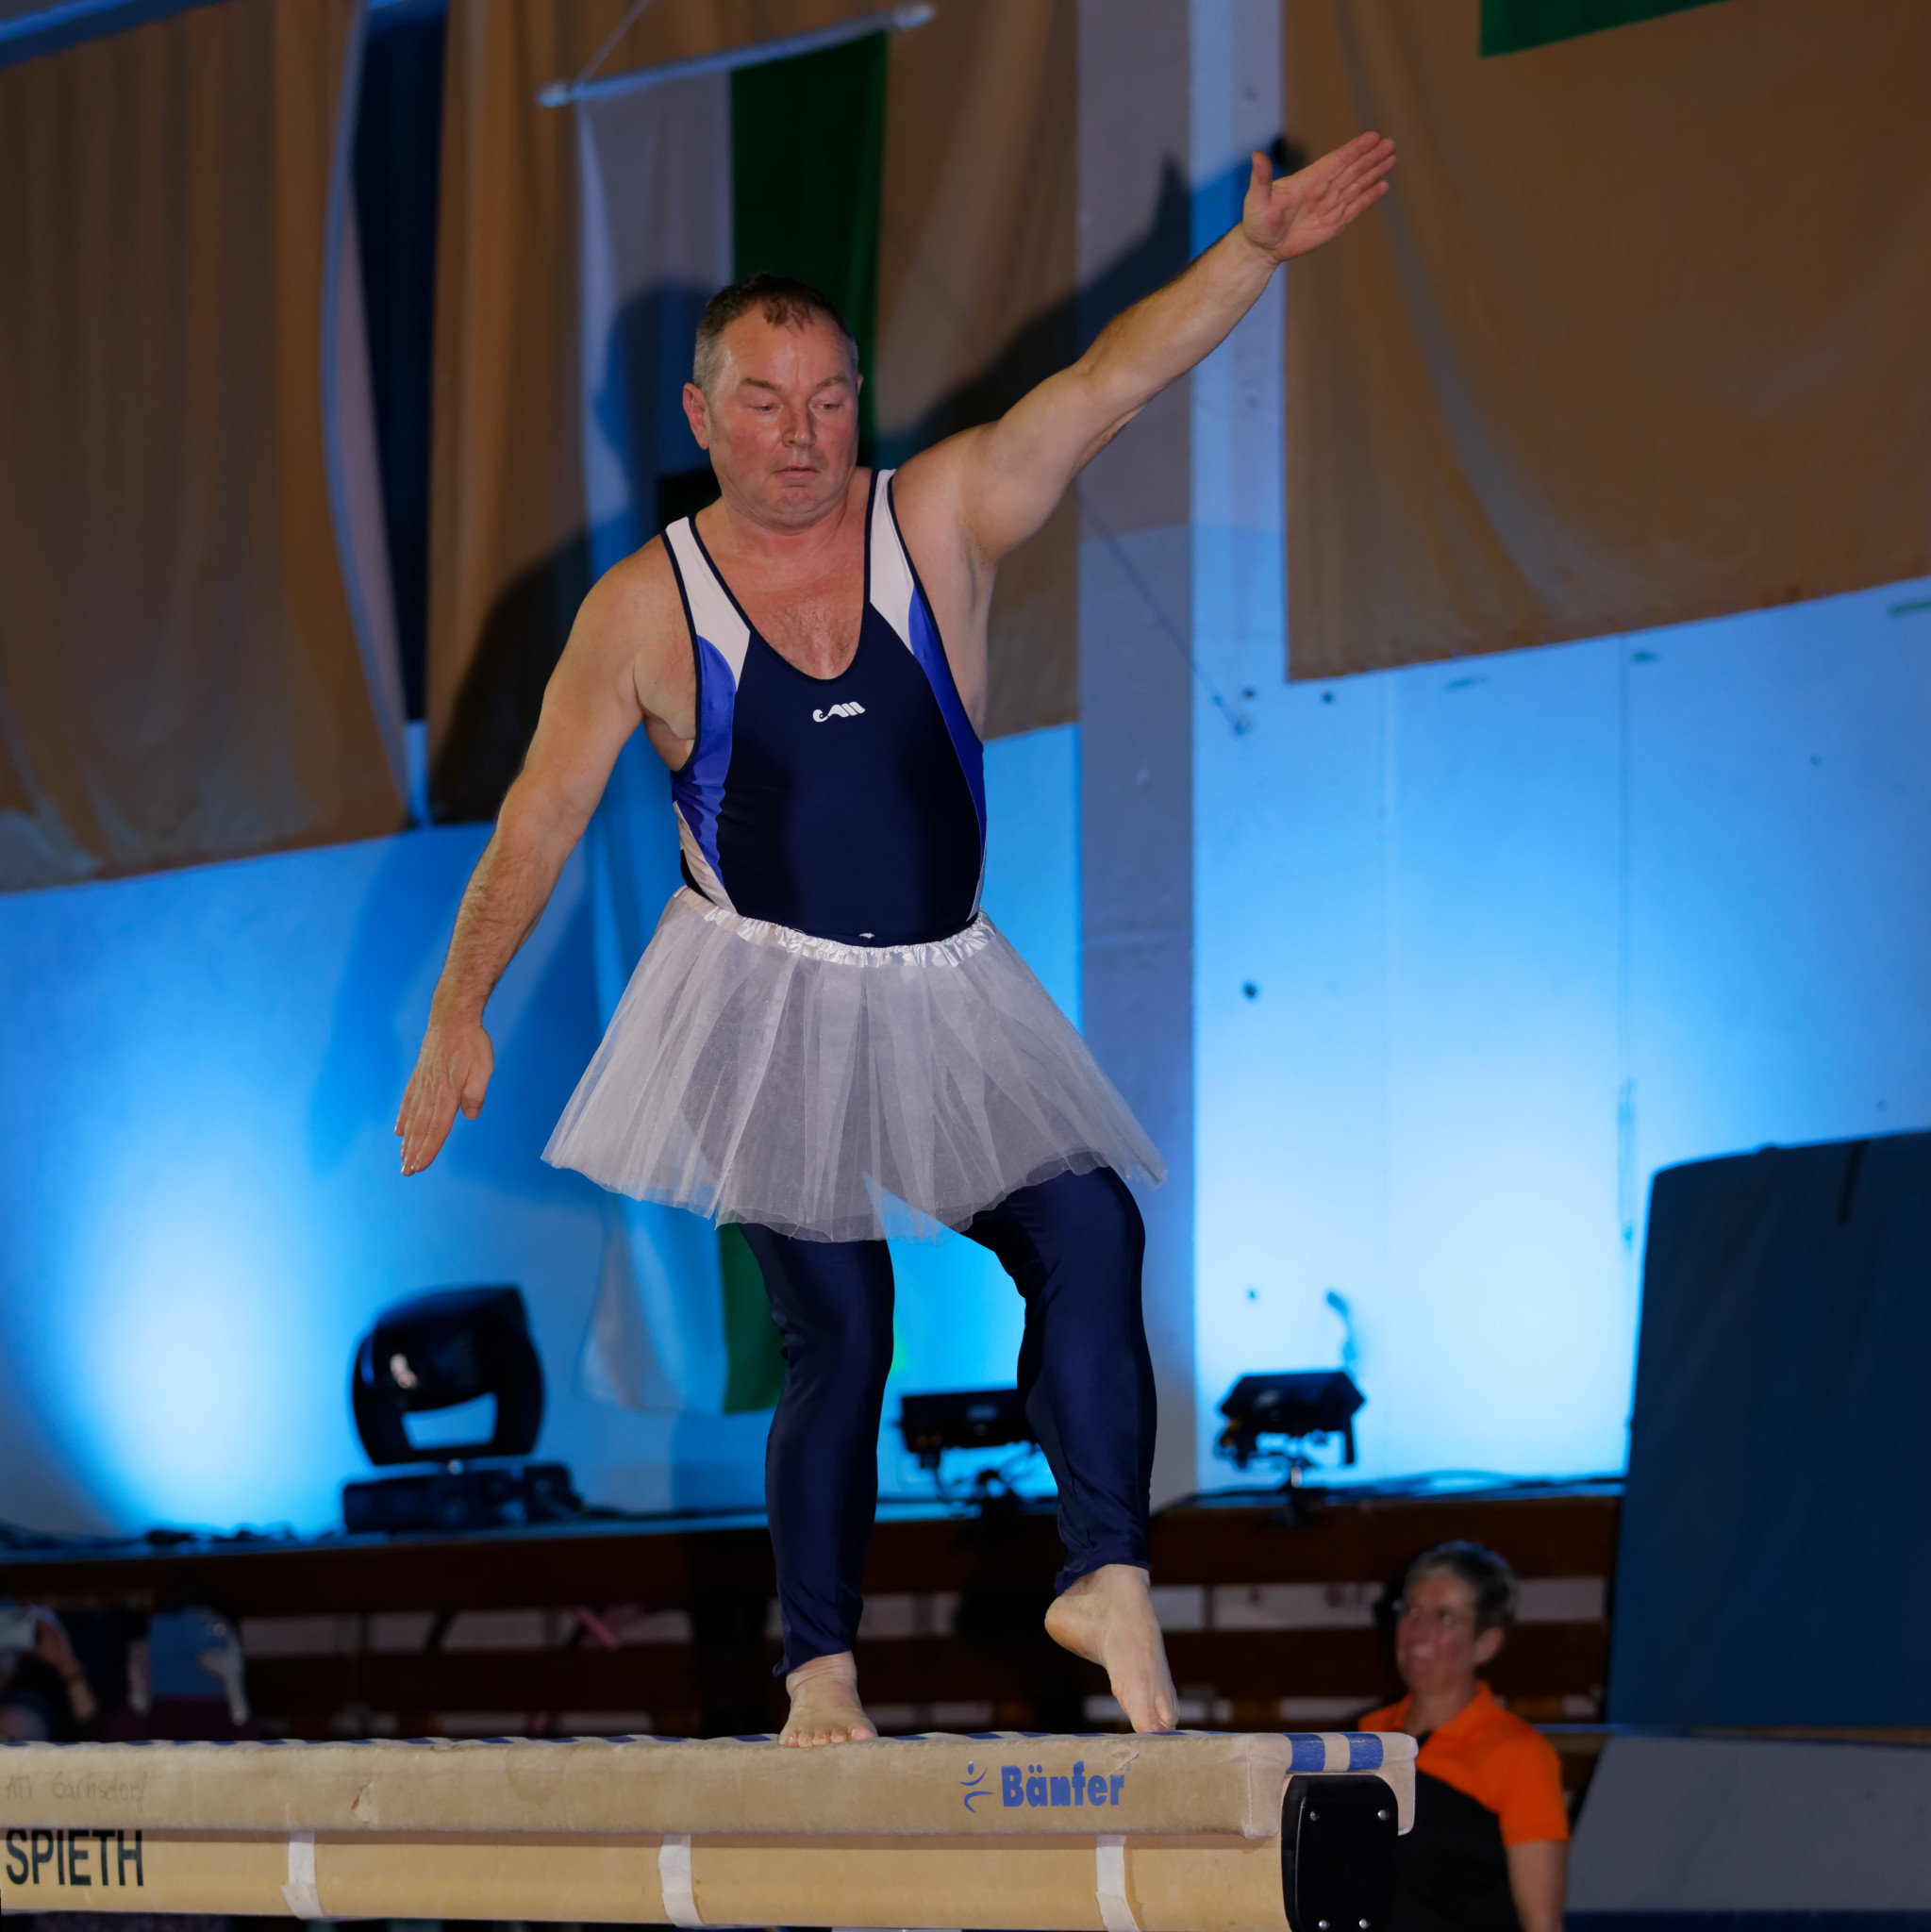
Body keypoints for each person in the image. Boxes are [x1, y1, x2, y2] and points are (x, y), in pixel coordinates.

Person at [396, 133, 1396, 1747]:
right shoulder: (642, 609)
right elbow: (535, 819)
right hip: (761, 997)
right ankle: (818, 1672)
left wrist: (1250, 255)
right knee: (843, 1329)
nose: (798, 437)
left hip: (941, 986)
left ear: (856, 401)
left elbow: (1104, 383)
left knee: (1090, 1231)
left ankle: (1106, 1568)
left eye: (826, 401)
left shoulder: (937, 515)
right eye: (762, 404)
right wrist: (460, 1005)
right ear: (700, 417)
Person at [1360, 1543, 1570, 1932]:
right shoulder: (1365, 1737)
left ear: (1486, 1643)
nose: (1417, 1633)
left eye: (1444, 1617)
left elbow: (1541, 1923)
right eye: (1410, 1611)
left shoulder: (1519, 1754)